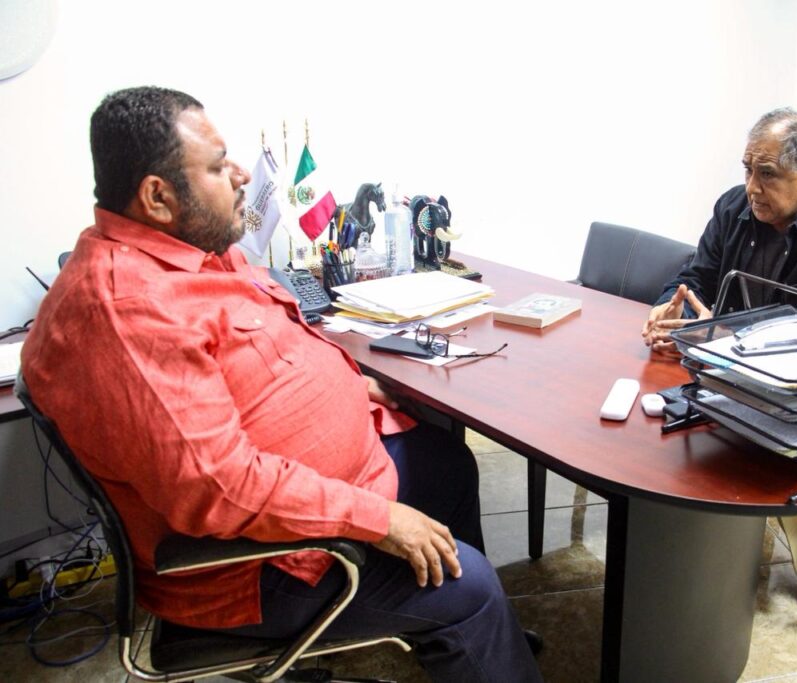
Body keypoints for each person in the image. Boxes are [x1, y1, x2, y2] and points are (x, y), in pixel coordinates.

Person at [20, 86, 541, 682]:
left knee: (447, 465)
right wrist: (379, 519)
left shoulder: (190, 251)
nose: (242, 174)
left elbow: (265, 352)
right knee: (470, 589)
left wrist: (349, 387)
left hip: (318, 490)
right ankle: (468, 620)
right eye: (218, 166)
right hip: (257, 565)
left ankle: (464, 642)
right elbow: (220, 490)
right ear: (157, 197)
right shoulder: (128, 311)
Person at [641, 107, 797, 617]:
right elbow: (697, 275)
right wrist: (674, 309)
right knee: (658, 423)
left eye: (767, 174)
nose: (751, 187)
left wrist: (726, 333)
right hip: (726, 367)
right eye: (748, 169)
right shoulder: (734, 206)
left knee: (783, 445)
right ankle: (699, 534)